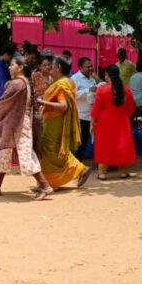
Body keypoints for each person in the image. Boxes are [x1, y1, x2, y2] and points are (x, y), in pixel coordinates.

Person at [0, 56, 53, 200]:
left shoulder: (16, 84)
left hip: (19, 125)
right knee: (4, 153)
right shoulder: (25, 83)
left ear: (20, 67)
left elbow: (2, 102)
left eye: (12, 65)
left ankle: (45, 186)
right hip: (18, 123)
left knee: (26, 155)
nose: (9, 67)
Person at [37, 57, 92, 189]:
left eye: (53, 66)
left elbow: (63, 106)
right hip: (53, 121)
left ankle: (55, 180)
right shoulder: (66, 82)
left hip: (54, 122)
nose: (51, 68)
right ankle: (53, 180)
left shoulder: (62, 84)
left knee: (51, 151)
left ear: (59, 68)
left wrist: (43, 102)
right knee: (53, 151)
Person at [92, 65, 137, 180]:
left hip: (105, 121)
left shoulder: (102, 89)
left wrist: (93, 123)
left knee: (104, 146)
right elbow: (131, 108)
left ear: (107, 76)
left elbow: (96, 109)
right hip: (122, 121)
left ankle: (102, 173)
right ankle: (123, 171)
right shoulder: (126, 89)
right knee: (121, 145)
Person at [71, 57, 97, 160]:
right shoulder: (74, 79)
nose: (91, 69)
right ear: (81, 67)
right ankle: (76, 163)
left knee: (86, 140)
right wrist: (87, 90)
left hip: (90, 115)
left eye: (91, 66)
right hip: (80, 115)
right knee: (79, 141)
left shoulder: (92, 80)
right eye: (88, 67)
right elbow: (73, 95)